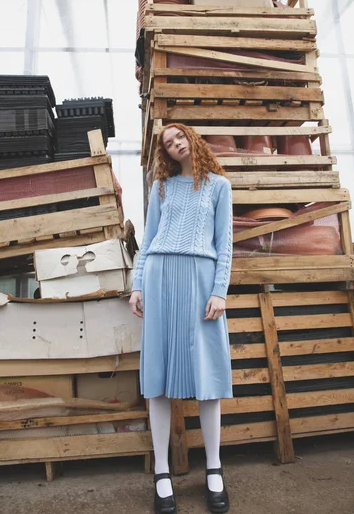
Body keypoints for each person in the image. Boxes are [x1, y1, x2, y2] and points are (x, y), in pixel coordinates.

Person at [129, 123, 233, 514]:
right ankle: (161, 473)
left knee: (208, 376)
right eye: (168, 144)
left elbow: (225, 244)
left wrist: (219, 291)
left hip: (200, 280)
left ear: (192, 139)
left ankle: (214, 469)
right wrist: (137, 284)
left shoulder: (220, 187)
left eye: (179, 138)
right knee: (156, 377)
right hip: (159, 278)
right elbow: (149, 239)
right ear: (166, 153)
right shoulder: (161, 188)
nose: (175, 146)